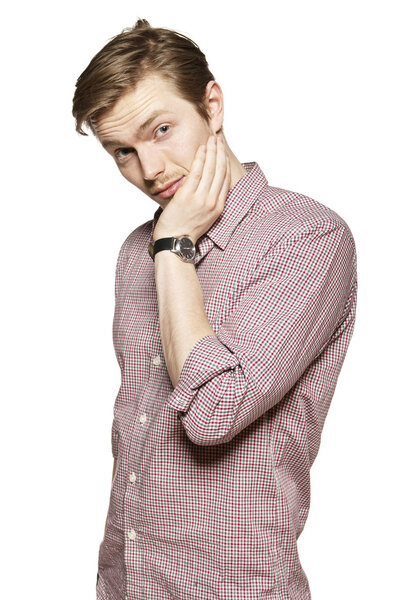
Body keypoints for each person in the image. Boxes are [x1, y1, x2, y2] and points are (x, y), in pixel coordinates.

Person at [72, 18, 358, 600]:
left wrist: (175, 249)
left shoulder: (307, 239)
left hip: (234, 584)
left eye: (162, 130)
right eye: (122, 152)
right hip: (128, 578)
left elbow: (212, 417)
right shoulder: (137, 251)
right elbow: (140, 428)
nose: (148, 170)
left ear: (213, 105)